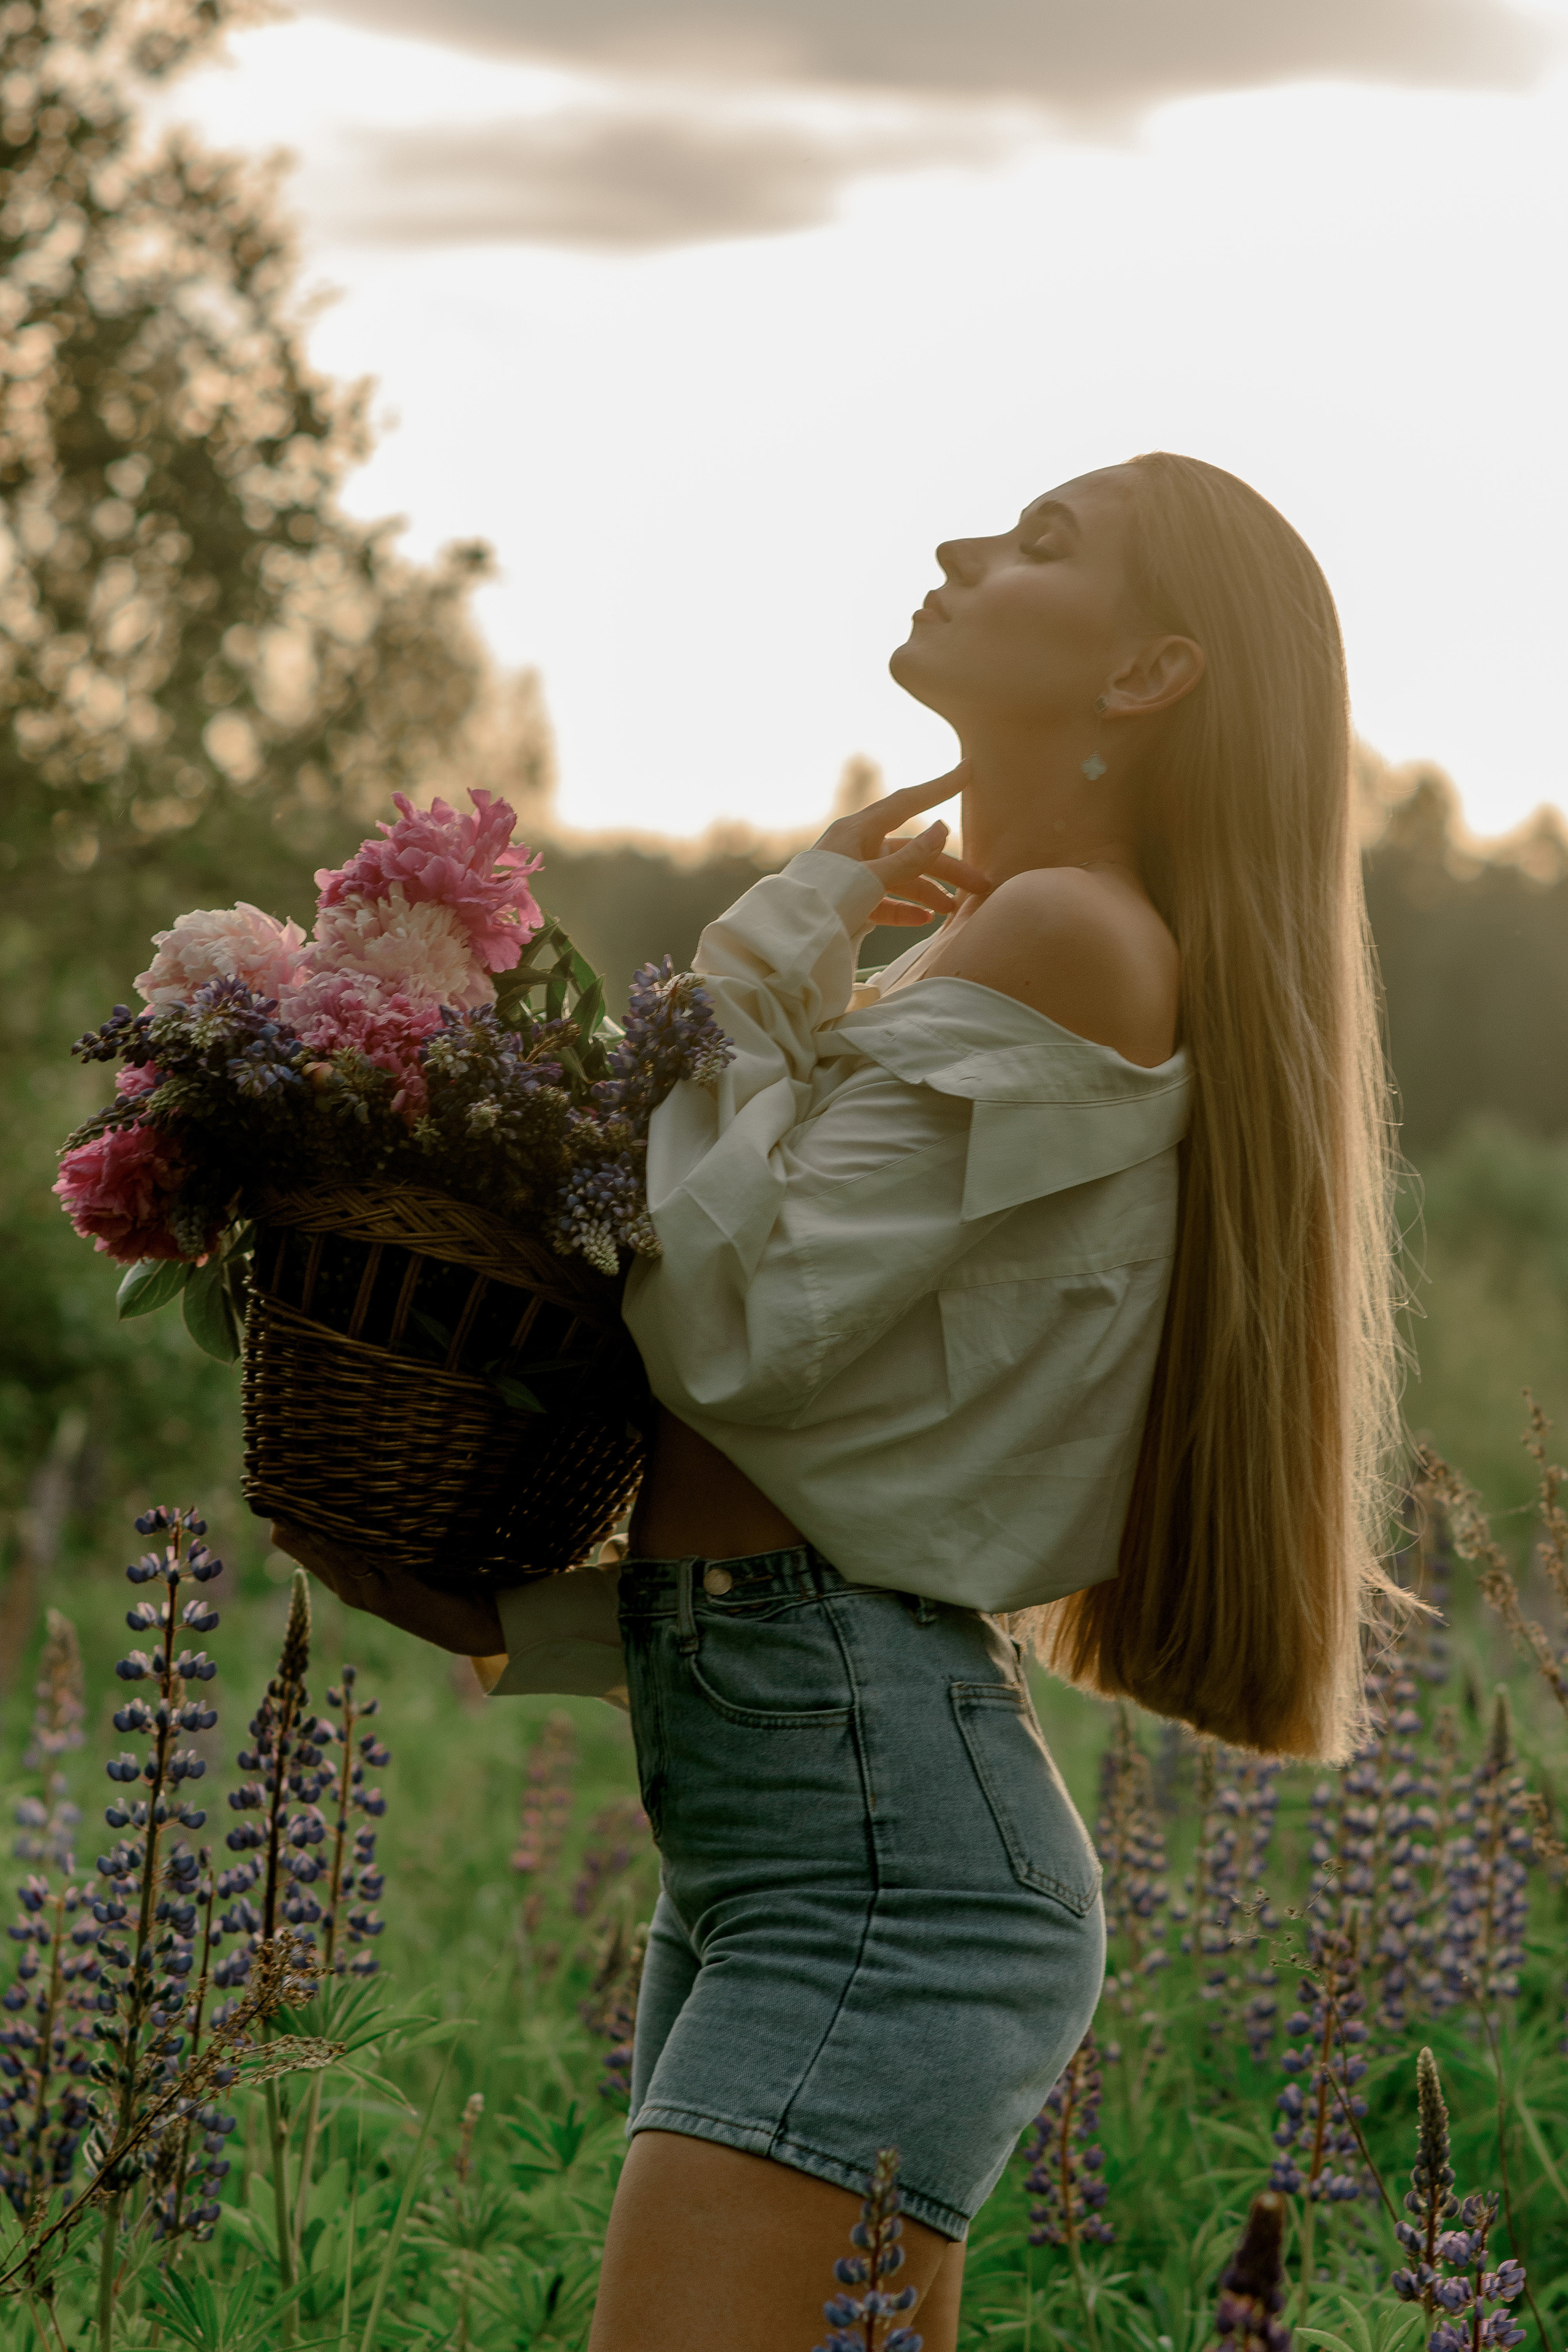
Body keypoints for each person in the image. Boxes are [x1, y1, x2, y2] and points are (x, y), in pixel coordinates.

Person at [279, 451, 1402, 2352]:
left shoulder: (1071, 940)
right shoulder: (1013, 938)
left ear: (1151, 676)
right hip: (833, 1829)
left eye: (1047, 544)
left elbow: (733, 1327)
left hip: (883, 1863)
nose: (966, 545)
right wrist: (532, 1616)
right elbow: (842, 1454)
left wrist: (771, 939)